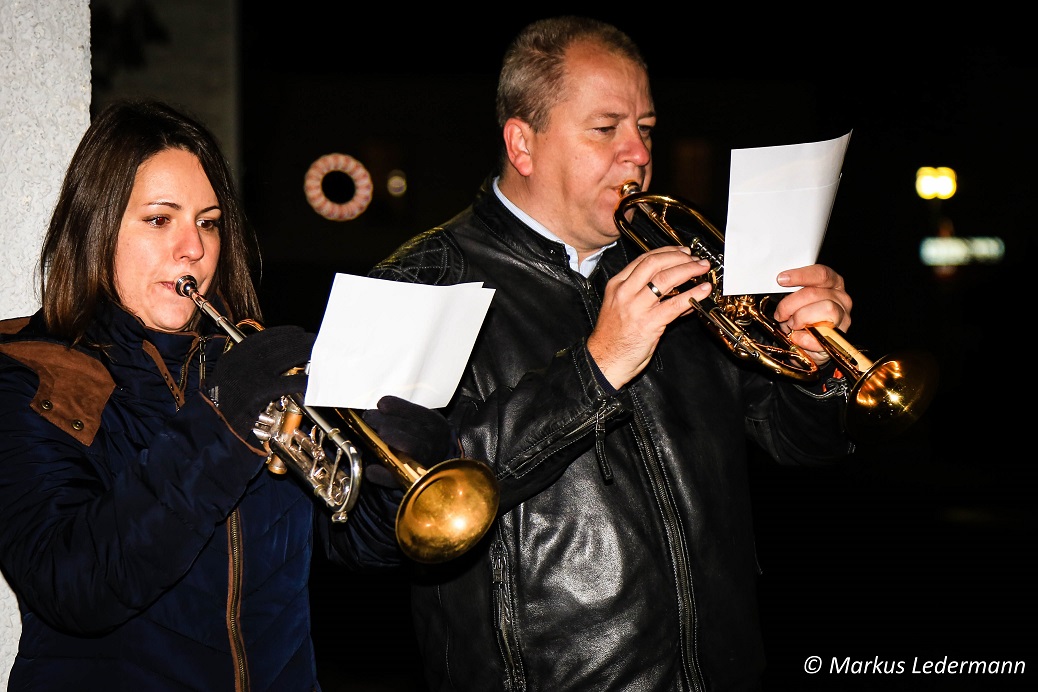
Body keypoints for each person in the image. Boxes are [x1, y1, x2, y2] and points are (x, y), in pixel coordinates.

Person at [367, 16, 857, 691]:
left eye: (645, 129)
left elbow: (803, 448)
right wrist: (594, 371)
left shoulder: (683, 264)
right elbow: (369, 525)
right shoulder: (416, 280)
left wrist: (814, 369)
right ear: (523, 144)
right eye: (606, 129)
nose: (638, 155)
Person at [0, 99, 442, 690]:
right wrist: (221, 427)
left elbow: (349, 549)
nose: (194, 248)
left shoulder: (242, 366)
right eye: (160, 220)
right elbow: (73, 585)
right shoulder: (30, 374)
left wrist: (392, 482)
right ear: (96, 229)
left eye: (207, 222)